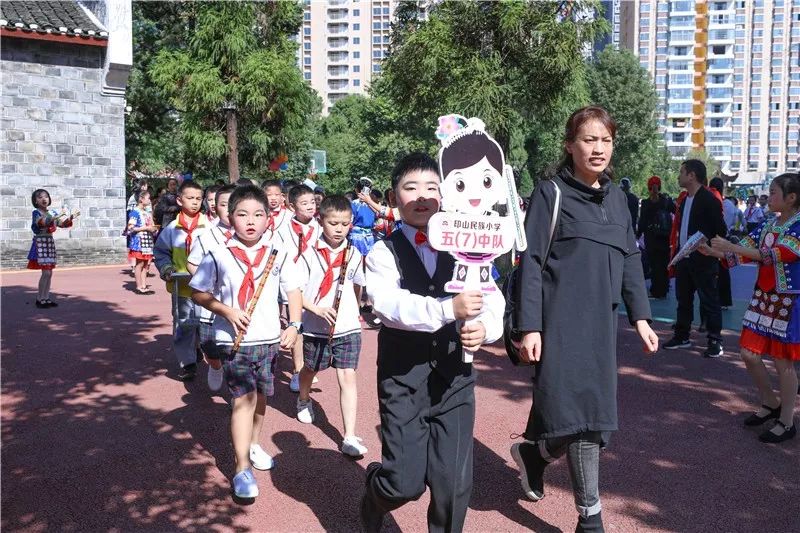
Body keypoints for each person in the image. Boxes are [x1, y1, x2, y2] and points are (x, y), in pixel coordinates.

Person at [511, 106, 658, 533]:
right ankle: (590, 519)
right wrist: (529, 326)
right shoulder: (550, 193)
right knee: (584, 422)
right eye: (589, 140)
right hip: (558, 326)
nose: (598, 149)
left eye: (605, 140)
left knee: (590, 420)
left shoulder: (618, 198)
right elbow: (532, 262)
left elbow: (630, 257)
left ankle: (535, 454)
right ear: (570, 145)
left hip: (601, 327)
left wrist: (642, 317)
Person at [360, 153, 504, 533]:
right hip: (403, 378)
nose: (423, 196)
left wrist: (486, 328)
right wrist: (448, 309)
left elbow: (493, 299)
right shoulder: (381, 251)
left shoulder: (468, 249)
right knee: (402, 484)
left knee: (453, 486)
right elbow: (389, 307)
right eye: (411, 188)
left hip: (455, 377)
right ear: (393, 198)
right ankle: (375, 493)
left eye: (432, 187)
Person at [190, 184, 303, 498]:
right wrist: (226, 310)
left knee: (262, 397)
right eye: (242, 214)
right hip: (235, 341)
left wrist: (294, 324)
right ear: (229, 216)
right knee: (243, 400)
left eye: (258, 214)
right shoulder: (219, 254)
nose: (250, 221)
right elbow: (198, 292)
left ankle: (254, 443)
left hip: (269, 340)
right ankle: (241, 468)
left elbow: (292, 290)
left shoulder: (279, 253)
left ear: (269, 218)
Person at [700, 173, 800, 443]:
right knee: (748, 353)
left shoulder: (798, 226)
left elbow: (776, 255)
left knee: (783, 361)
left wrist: (729, 246)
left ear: (791, 198)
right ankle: (770, 401)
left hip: (787, 299)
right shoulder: (770, 223)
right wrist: (715, 252)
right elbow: (747, 248)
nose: (769, 196)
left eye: (774, 192)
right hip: (764, 296)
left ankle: (787, 420)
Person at [296, 195, 369, 457]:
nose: (339, 229)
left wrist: (355, 310)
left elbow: (358, 284)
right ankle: (303, 398)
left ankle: (348, 435)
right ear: (321, 221)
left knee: (347, 376)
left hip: (347, 326)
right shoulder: (308, 254)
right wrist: (316, 309)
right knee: (310, 368)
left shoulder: (355, 253)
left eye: (345, 224)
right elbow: (294, 292)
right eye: (333, 223)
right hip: (316, 326)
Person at [663, 160, 727, 357]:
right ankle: (682, 335)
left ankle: (715, 341)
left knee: (709, 300)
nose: (678, 176)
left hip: (703, 259)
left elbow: (720, 229)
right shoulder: (684, 200)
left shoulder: (709, 199)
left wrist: (704, 244)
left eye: (681, 172)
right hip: (684, 257)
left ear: (691, 175)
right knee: (683, 299)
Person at [154, 180, 211, 380]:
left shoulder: (209, 227)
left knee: (205, 324)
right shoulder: (171, 229)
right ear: (179, 200)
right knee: (184, 325)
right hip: (181, 287)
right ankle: (187, 364)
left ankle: (204, 352)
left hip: (205, 289)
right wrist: (167, 268)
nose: (195, 202)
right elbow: (160, 252)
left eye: (198, 198)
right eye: (190, 198)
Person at [187, 184, 236, 391]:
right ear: (215, 207)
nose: (229, 209)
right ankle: (215, 367)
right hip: (211, 303)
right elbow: (192, 262)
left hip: (237, 302)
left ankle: (237, 391)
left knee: (237, 349)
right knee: (209, 345)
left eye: (233, 204)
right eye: (224, 204)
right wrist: (205, 280)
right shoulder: (206, 236)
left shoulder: (250, 236)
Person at [275, 184, 321, 393]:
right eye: (304, 204)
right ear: (292, 206)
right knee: (297, 325)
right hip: (292, 286)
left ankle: (309, 366)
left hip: (315, 285)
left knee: (314, 327)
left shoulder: (320, 227)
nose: (310, 207)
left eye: (312, 202)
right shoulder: (282, 231)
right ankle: (298, 370)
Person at [27, 189, 75, 308]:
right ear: (35, 201)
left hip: (49, 242)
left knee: (49, 273)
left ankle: (46, 297)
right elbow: (41, 223)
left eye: (46, 197)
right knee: (46, 272)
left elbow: (61, 224)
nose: (44, 199)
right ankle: (40, 298)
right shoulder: (36, 212)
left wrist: (70, 219)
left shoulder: (52, 213)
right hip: (41, 242)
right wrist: (54, 218)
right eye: (40, 197)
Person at [637, 176, 675, 299]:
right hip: (664, 237)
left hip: (651, 238)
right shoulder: (666, 201)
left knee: (654, 265)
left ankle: (656, 291)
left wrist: (638, 234)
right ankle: (664, 289)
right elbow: (676, 212)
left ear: (649, 188)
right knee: (664, 264)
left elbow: (642, 222)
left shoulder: (646, 203)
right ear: (660, 186)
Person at [127, 189, 158, 295]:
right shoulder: (135, 212)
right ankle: (139, 286)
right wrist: (145, 228)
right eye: (148, 198)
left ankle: (144, 285)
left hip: (147, 241)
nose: (149, 200)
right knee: (139, 264)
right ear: (141, 199)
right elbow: (131, 228)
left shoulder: (147, 212)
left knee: (146, 265)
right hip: (139, 241)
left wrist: (153, 229)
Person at [710, 178, 734, 309]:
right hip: (725, 237)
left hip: (715, 239)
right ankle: (725, 300)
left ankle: (717, 298)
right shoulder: (729, 204)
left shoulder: (713, 201)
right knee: (724, 270)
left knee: (715, 271)